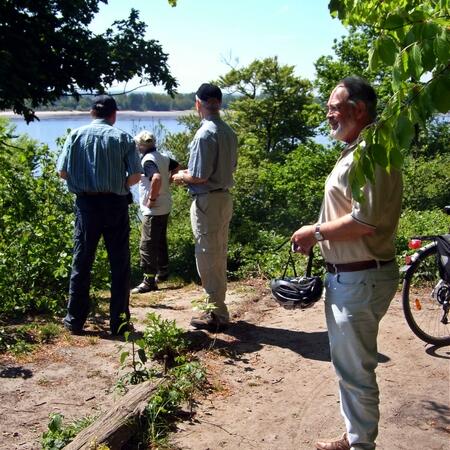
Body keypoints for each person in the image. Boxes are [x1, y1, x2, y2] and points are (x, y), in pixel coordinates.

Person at [291, 77, 402, 450]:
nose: (328, 114)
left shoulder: (372, 152)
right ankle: (355, 436)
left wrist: (314, 232)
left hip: (359, 278)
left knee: (355, 370)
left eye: (335, 107)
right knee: (348, 365)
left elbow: (364, 221)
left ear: (359, 109)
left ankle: (361, 446)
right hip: (354, 276)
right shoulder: (360, 150)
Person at [57, 94, 142, 336]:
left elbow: (62, 172)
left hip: (87, 205)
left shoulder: (75, 135)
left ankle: (75, 320)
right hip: (115, 205)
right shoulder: (122, 138)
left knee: (82, 261)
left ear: (92, 112)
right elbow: (136, 175)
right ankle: (119, 323)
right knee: (120, 264)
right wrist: (120, 184)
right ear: (114, 115)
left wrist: (83, 180)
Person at [172, 83, 238, 332]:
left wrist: (180, 176)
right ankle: (217, 307)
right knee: (218, 253)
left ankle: (216, 312)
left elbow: (199, 176)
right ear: (219, 103)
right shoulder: (228, 132)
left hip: (207, 201)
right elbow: (229, 167)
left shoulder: (204, 134)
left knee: (207, 255)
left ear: (198, 103)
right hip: (223, 198)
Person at [131, 130, 180, 293]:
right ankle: (163, 272)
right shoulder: (163, 157)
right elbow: (177, 167)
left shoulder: (147, 160)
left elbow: (156, 178)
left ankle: (149, 281)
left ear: (141, 146)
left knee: (147, 244)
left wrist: (151, 199)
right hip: (165, 205)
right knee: (159, 240)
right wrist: (169, 181)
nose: (137, 147)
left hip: (154, 209)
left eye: (137, 145)